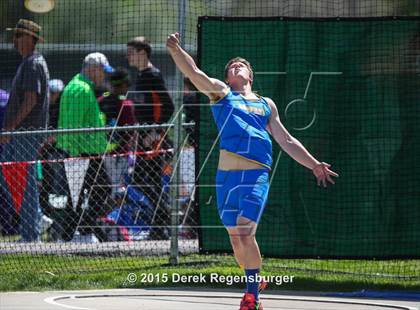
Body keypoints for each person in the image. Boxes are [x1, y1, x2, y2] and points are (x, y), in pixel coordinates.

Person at [167, 32, 339, 310]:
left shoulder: (266, 104)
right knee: (236, 238)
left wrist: (314, 164)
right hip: (226, 179)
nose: (235, 67)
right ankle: (254, 279)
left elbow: (287, 140)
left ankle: (252, 297)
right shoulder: (222, 95)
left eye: (240, 65)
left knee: (246, 233)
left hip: (256, 175)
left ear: (250, 75)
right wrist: (175, 51)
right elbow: (196, 73)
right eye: (231, 66)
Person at [0, 19, 50, 242]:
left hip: (25, 133)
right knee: (10, 175)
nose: (14, 40)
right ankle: (37, 218)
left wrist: (10, 128)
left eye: (18, 35)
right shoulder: (29, 61)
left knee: (24, 182)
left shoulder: (32, 63)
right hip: (21, 133)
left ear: (30, 38)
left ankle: (31, 234)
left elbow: (31, 100)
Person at [56, 52, 113, 242]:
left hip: (82, 151)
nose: (104, 76)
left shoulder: (78, 86)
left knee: (78, 195)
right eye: (102, 71)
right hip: (83, 153)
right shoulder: (82, 89)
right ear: (92, 69)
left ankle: (72, 234)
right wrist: (76, 154)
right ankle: (85, 227)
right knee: (102, 188)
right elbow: (73, 126)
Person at [127, 36, 174, 239]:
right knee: (141, 180)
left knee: (148, 180)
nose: (128, 56)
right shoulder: (140, 75)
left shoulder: (153, 75)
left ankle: (161, 223)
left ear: (143, 53)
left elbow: (169, 106)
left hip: (154, 140)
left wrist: (155, 133)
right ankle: (160, 223)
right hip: (143, 138)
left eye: (131, 52)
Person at [98, 67, 137, 198]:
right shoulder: (125, 105)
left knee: (108, 187)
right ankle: (114, 216)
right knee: (118, 189)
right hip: (120, 154)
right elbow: (130, 132)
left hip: (101, 152)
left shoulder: (101, 100)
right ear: (124, 85)